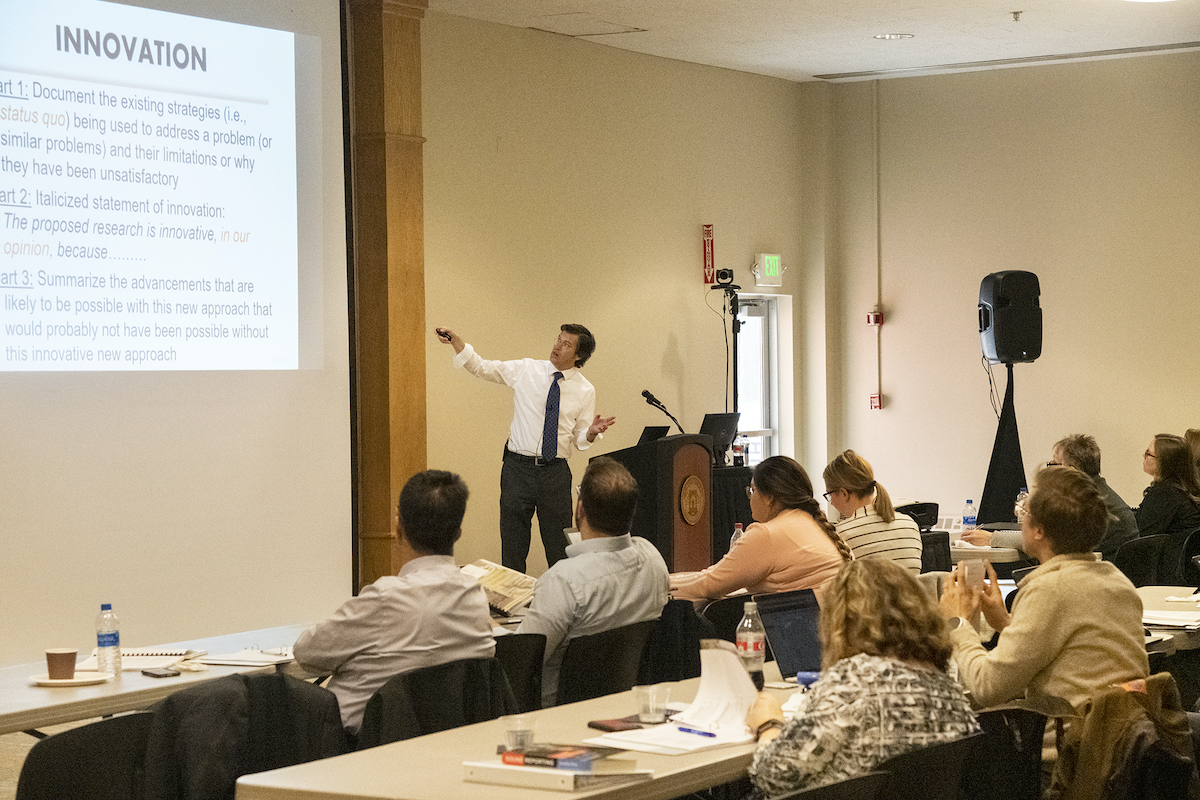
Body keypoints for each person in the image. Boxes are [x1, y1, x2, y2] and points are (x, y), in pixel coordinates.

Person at [940, 466, 1148, 762]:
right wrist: (1005, 623)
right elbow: (1072, 655)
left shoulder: (1048, 589)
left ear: (1039, 531)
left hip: (1067, 765)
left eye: (1024, 512)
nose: (1020, 518)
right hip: (1121, 755)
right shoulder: (1115, 579)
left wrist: (958, 623)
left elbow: (987, 687)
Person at [745, 560, 979, 797]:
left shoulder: (854, 679)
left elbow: (772, 775)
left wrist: (769, 725)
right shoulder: (948, 688)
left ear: (842, 621)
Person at [293, 470, 495, 733]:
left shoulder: (386, 598)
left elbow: (307, 653)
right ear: (458, 532)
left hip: (353, 750)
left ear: (398, 527)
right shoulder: (475, 596)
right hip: (439, 746)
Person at [436, 325, 615, 572]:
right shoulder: (527, 369)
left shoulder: (585, 390)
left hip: (555, 474)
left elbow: (579, 439)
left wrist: (592, 433)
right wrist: (458, 342)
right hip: (517, 470)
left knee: (559, 548)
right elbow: (483, 368)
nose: (557, 346)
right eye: (558, 339)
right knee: (513, 545)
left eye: (566, 344)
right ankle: (511, 603)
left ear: (579, 356)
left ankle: (561, 602)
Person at [515, 457, 669, 707]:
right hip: (623, 704)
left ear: (580, 509)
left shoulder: (564, 581)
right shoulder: (653, 558)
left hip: (553, 712)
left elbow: (522, 662)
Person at [671, 456, 850, 602]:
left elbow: (709, 584)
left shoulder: (768, 534)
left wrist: (658, 585)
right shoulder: (811, 522)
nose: (750, 498)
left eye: (752, 491)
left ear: (769, 498)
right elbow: (712, 576)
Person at [963, 434, 1138, 561]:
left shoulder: (1085, 503)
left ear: (1070, 470)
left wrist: (993, 539)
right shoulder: (1100, 495)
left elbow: (1050, 539)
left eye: (1053, 463)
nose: (1049, 469)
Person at [822, 449, 922, 573]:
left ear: (843, 493)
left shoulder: (840, 536)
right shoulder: (910, 524)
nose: (831, 502)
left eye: (830, 495)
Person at [1134, 433, 1200, 585]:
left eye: (1148, 453)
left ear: (1164, 462)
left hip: (1169, 575)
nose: (1143, 456)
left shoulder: (1164, 493)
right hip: (1187, 572)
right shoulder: (1188, 490)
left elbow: (1142, 537)